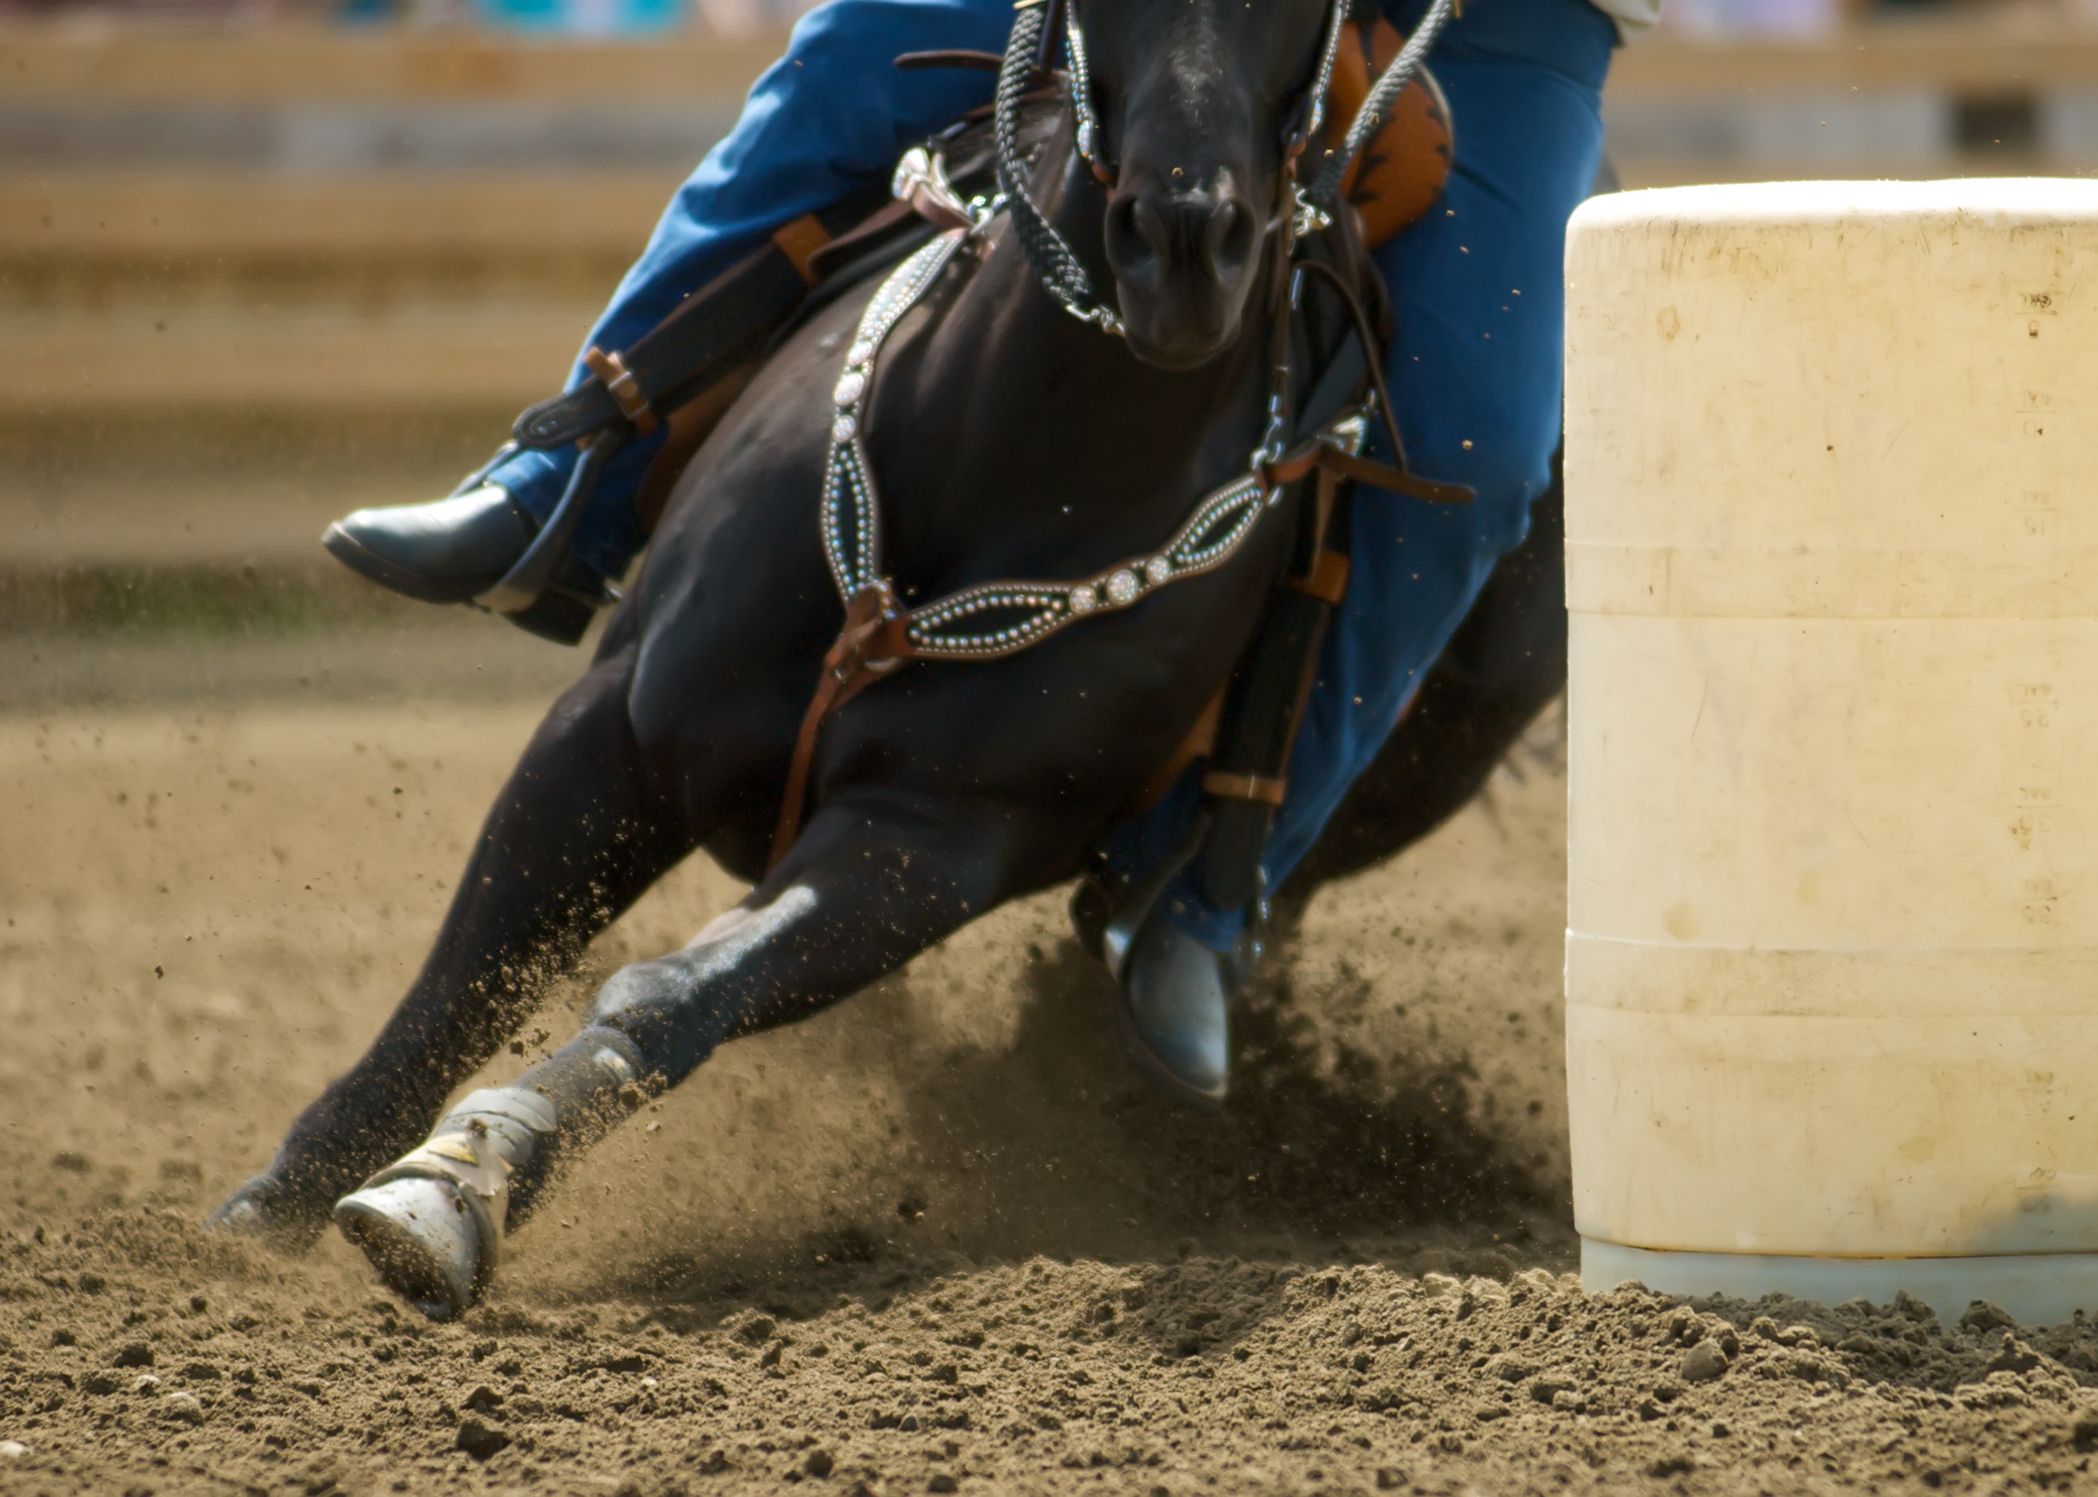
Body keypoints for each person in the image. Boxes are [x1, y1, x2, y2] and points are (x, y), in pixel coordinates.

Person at [321, 0, 1641, 1104]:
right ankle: (566, 477)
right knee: (851, 61)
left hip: (1488, 19)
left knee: (1475, 436)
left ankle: (1212, 879)